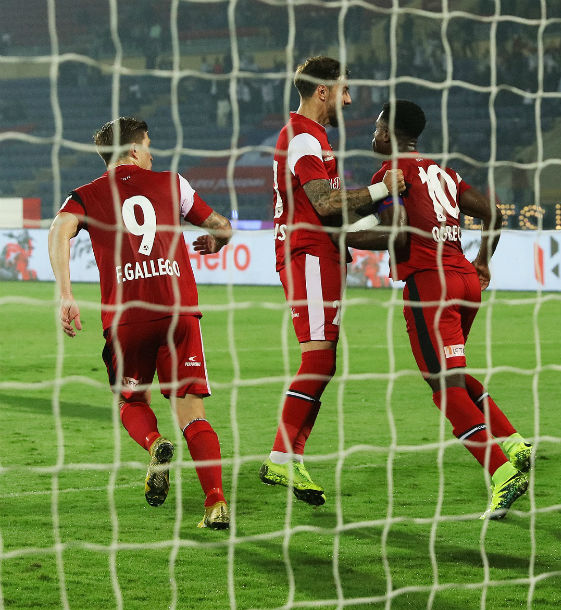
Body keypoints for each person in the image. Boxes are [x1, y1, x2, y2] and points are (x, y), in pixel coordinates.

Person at [48, 117, 233, 530]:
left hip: (127, 318)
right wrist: (219, 239)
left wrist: (66, 294)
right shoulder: (172, 182)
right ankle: (215, 502)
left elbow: (59, 230)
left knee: (131, 400)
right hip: (179, 313)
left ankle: (154, 444)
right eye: (148, 145)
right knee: (193, 411)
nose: (151, 153)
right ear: (133, 150)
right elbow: (221, 226)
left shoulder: (86, 194)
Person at [369, 99, 532, 520]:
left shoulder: (392, 175)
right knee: (453, 375)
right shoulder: (443, 171)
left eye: (376, 127)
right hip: (464, 282)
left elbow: (398, 237)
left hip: (430, 285)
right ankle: (513, 443)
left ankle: (501, 472)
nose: (373, 135)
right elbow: (494, 214)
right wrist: (483, 262)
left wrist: (340, 239)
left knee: (443, 387)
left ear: (387, 132)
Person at [261, 56, 406, 505]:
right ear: (322, 91)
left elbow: (336, 211)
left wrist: (390, 229)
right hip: (307, 256)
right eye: (343, 90)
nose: (348, 98)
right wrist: (384, 190)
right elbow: (326, 204)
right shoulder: (303, 137)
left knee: (325, 361)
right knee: (319, 360)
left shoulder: (314, 139)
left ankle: (289, 459)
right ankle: (280, 460)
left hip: (317, 254)